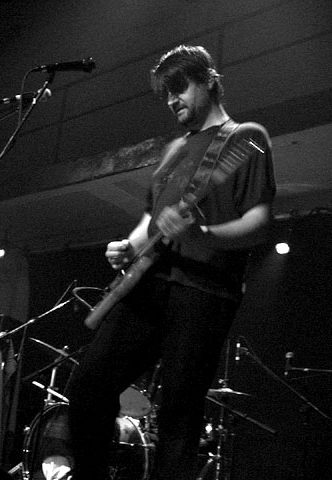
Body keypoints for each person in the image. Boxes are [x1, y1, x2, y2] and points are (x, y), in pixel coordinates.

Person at [65, 45, 276, 480]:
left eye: (179, 87)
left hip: (205, 291)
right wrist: (126, 246)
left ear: (209, 81)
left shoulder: (246, 136)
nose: (171, 99)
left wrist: (204, 235)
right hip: (149, 282)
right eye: (165, 93)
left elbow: (259, 222)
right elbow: (151, 220)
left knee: (179, 411)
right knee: (88, 386)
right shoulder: (173, 149)